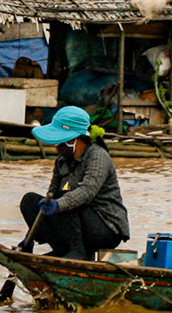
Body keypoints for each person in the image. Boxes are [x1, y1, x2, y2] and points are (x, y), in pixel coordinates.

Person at [18, 105, 130, 260]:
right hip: (76, 225)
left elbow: (86, 192)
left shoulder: (97, 156)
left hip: (105, 227)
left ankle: (78, 251)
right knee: (30, 201)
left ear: (73, 139)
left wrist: (58, 204)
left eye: (60, 141)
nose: (57, 146)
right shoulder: (61, 162)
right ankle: (62, 250)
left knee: (65, 199)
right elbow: (50, 196)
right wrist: (31, 235)